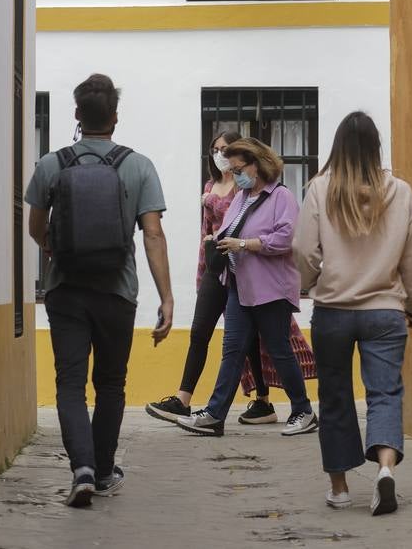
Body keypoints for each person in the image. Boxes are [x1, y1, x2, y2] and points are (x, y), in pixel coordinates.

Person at [26, 73, 173, 508]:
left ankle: (82, 469)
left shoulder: (52, 164)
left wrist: (56, 248)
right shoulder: (138, 165)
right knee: (111, 383)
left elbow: (35, 227)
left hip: (65, 289)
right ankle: (105, 471)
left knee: (70, 383)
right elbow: (152, 235)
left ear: (76, 115)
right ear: (114, 117)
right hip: (117, 292)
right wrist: (166, 297)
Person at [292, 111, 412, 516]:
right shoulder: (400, 192)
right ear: (375, 147)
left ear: (338, 147)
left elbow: (303, 250)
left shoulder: (319, 189)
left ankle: (340, 488)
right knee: (385, 393)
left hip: (332, 310)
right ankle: (385, 470)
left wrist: (309, 282)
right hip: (384, 311)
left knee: (334, 397)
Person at [175, 137, 317, 437]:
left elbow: (286, 239)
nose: (236, 173)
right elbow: (229, 228)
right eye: (234, 167)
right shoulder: (241, 198)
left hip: (270, 288)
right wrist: (218, 241)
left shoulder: (281, 197)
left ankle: (303, 410)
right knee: (233, 351)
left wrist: (246, 244)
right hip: (239, 286)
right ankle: (214, 415)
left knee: (279, 349)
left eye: (240, 168)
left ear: (258, 165)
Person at [145, 130, 277, 425]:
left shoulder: (246, 189)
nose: (220, 154)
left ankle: (264, 401)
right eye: (215, 149)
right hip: (214, 267)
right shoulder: (210, 185)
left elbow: (247, 223)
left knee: (247, 339)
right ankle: (183, 400)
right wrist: (202, 270)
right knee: (199, 331)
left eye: (226, 149)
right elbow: (205, 232)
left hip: (240, 267)